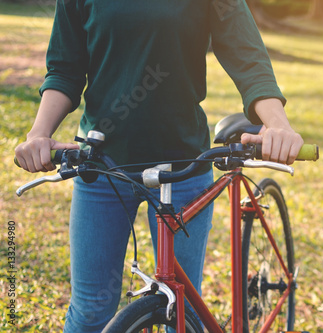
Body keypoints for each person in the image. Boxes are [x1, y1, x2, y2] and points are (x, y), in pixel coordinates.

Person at [14, 0, 304, 332]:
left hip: (183, 166)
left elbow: (247, 56)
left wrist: (278, 124)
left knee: (180, 310)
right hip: (102, 167)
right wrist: (38, 133)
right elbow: (65, 68)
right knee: (91, 311)